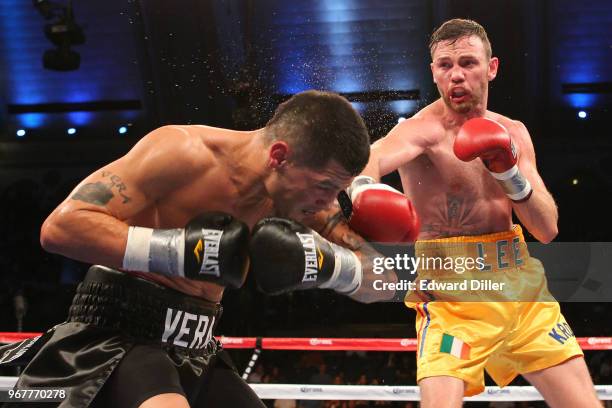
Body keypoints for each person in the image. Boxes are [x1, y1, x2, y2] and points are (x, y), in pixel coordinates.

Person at [0, 90, 373, 408]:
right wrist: (180, 251)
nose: (329, 202)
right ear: (279, 156)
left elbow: (383, 279)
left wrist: (336, 267)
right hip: (119, 331)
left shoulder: (308, 199)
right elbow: (60, 227)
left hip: (198, 342)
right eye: (324, 186)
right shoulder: (183, 152)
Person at [354, 19, 600, 407]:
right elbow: (369, 158)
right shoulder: (421, 131)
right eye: (444, 65)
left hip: (523, 290)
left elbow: (547, 228)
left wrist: (510, 173)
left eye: (467, 62)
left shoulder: (513, 132)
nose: (455, 75)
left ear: (491, 67)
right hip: (451, 299)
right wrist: (365, 194)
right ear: (433, 71)